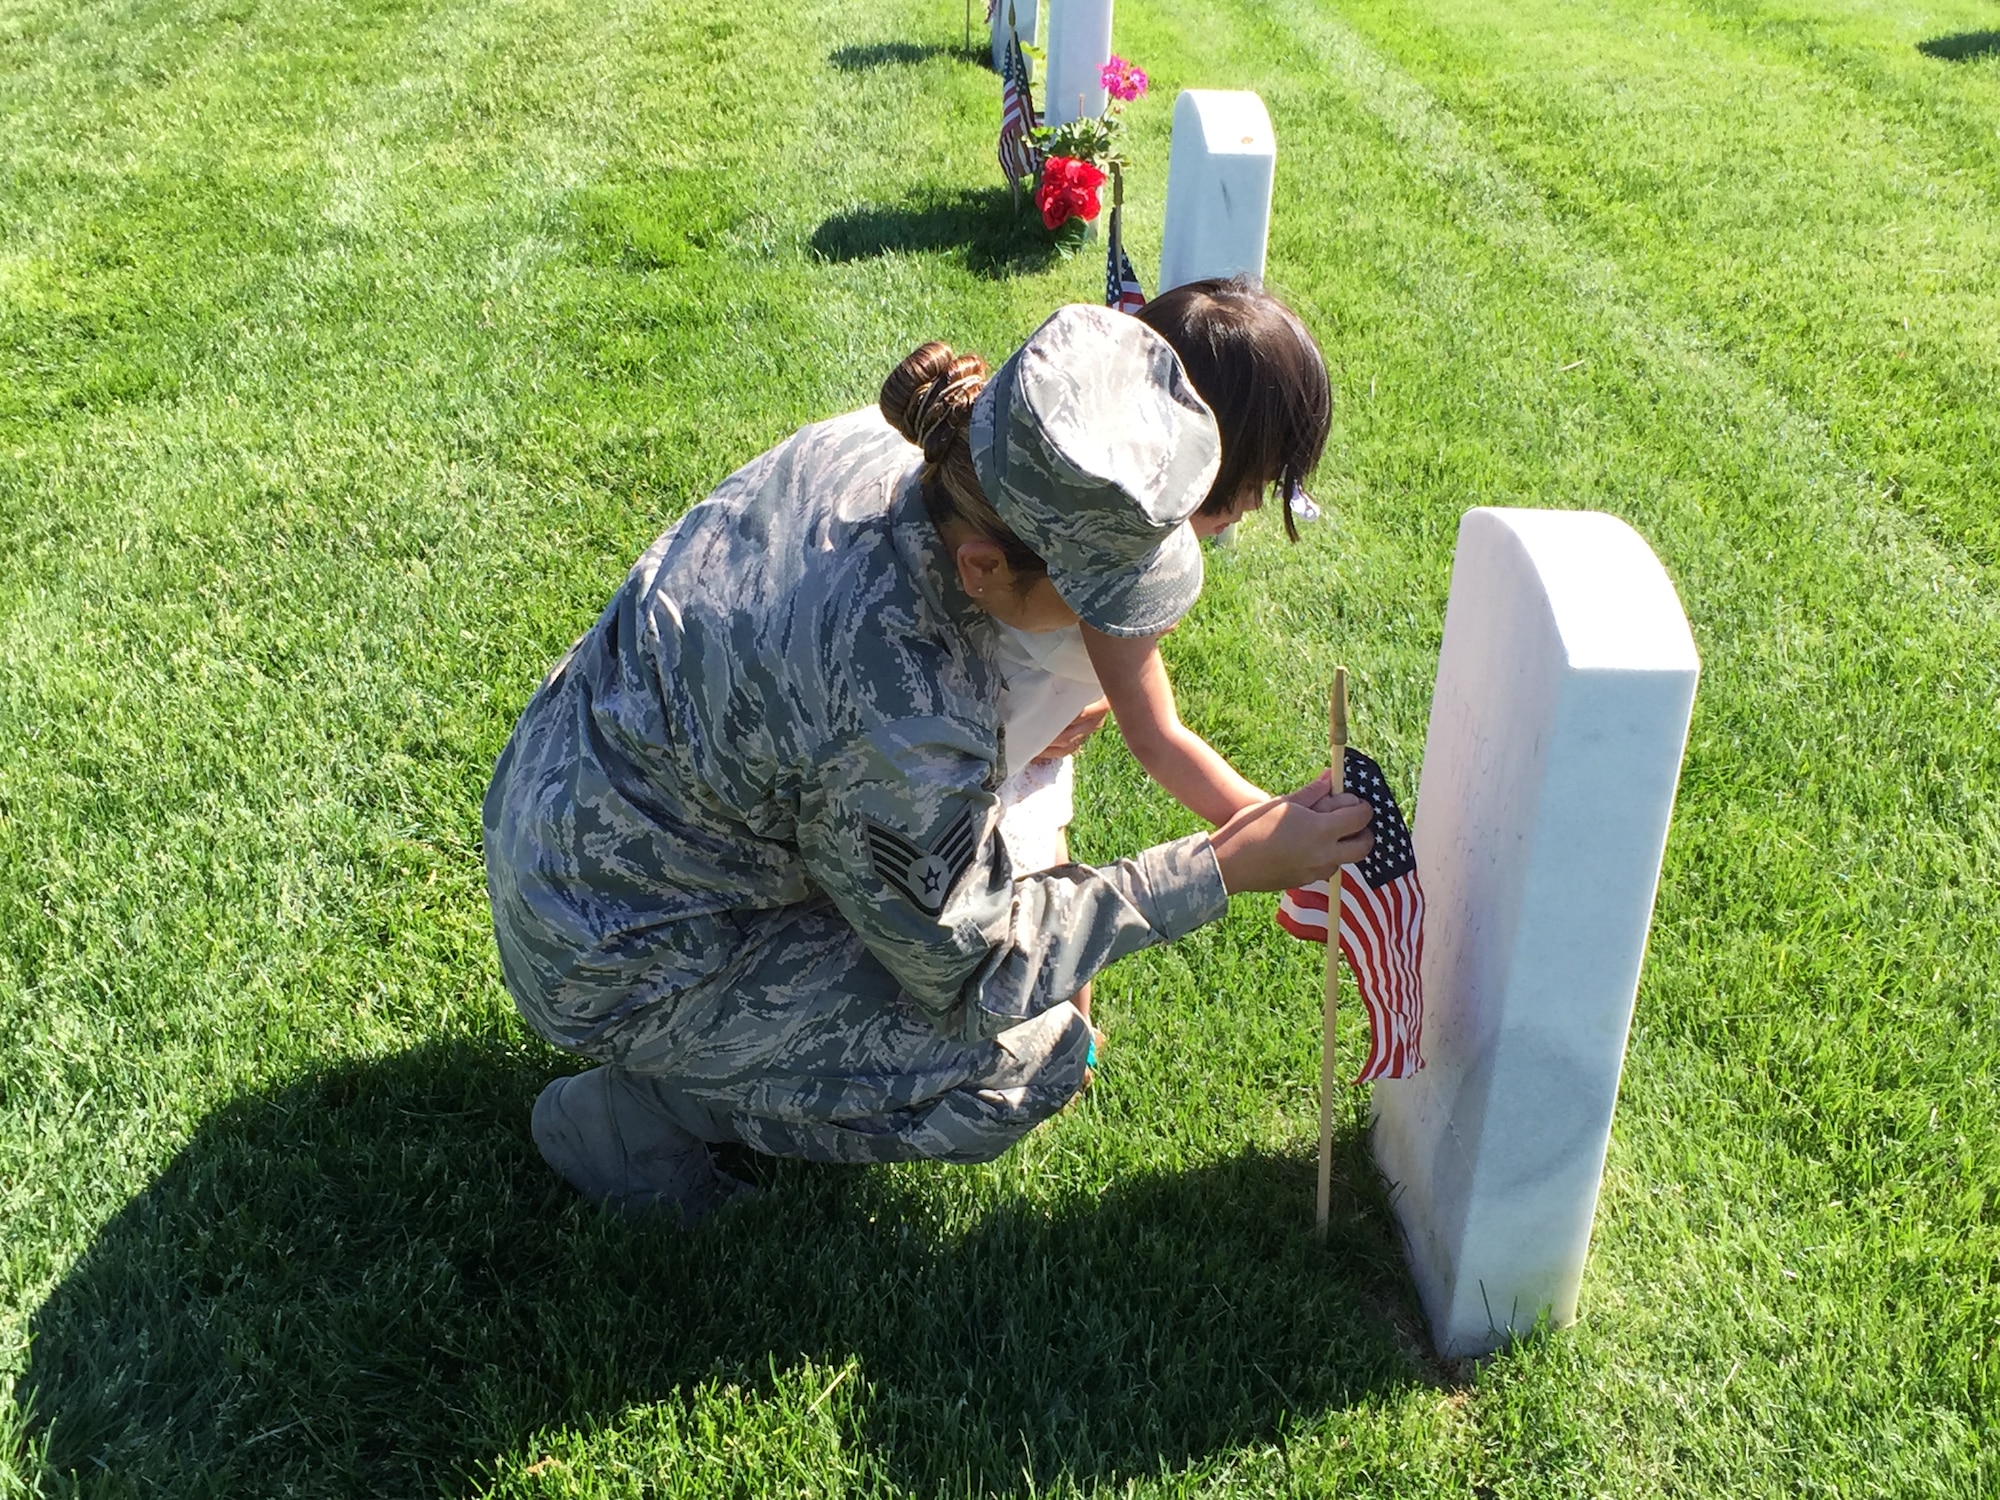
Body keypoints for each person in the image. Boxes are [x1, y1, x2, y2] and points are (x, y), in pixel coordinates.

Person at [482, 302, 1372, 1220]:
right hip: (613, 953)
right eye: (1092, 602)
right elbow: (981, 970)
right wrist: (1220, 865)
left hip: (562, 823)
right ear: (985, 568)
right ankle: (638, 1112)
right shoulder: (900, 710)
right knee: (1028, 1054)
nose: (1106, 631)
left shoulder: (890, 453)